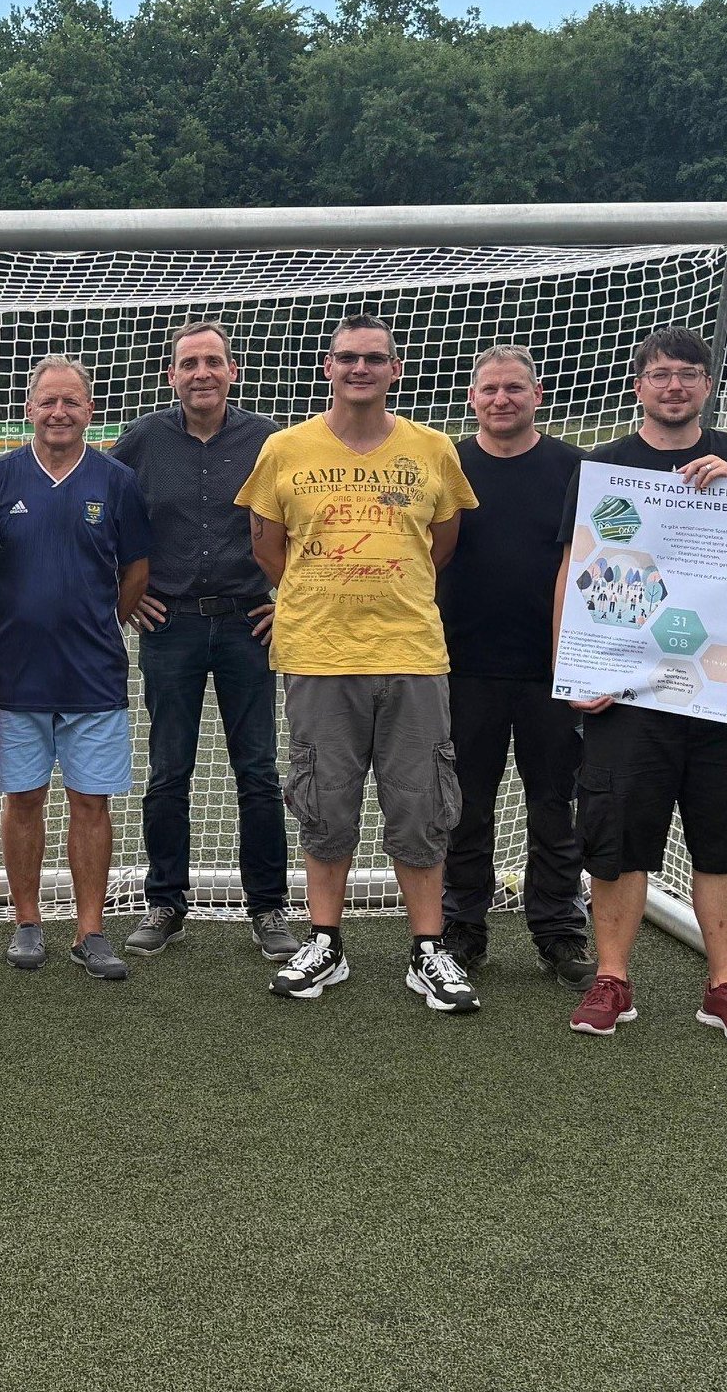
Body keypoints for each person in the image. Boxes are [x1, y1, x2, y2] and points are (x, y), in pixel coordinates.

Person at [561, 328, 727, 1046]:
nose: (673, 386)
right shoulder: (604, 465)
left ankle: (724, 985)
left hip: (724, 682)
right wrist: (578, 672)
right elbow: (572, 574)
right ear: (638, 384)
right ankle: (612, 979)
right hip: (628, 687)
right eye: (660, 374)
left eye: (687, 375)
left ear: (705, 386)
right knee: (618, 833)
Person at [235, 314, 482, 1015]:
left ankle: (427, 948)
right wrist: (323, 597)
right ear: (327, 367)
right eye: (346, 357)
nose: (359, 368)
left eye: (374, 358)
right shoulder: (284, 449)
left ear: (395, 369)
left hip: (410, 655)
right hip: (317, 655)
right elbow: (266, 546)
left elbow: (440, 543)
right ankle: (324, 942)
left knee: (421, 804)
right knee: (324, 802)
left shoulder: (432, 449)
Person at [111, 321, 298, 962]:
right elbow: (101, 508)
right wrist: (126, 593)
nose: (201, 374)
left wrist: (291, 600)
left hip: (249, 623)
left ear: (232, 371)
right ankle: (164, 901)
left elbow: (312, 524)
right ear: (172, 375)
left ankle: (269, 908)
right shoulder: (141, 440)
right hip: (172, 627)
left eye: (213, 362)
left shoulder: (271, 441)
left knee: (258, 772)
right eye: (189, 363)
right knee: (168, 771)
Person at [0, 355, 150, 982]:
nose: (59, 412)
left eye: (71, 402)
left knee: (90, 803)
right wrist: (13, 618)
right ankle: (27, 923)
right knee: (22, 799)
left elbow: (135, 573)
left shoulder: (117, 481)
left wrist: (103, 620)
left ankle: (91, 930)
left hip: (95, 673)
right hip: (18, 673)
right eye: (48, 401)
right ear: (29, 408)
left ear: (90, 410)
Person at [434, 346, 592, 986]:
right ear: (472, 397)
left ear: (538, 394)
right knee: (464, 806)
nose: (502, 400)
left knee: (555, 805)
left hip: (552, 672)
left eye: (515, 389)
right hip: (461, 667)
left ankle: (558, 931)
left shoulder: (576, 468)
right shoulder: (446, 465)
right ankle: (462, 927)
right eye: (490, 389)